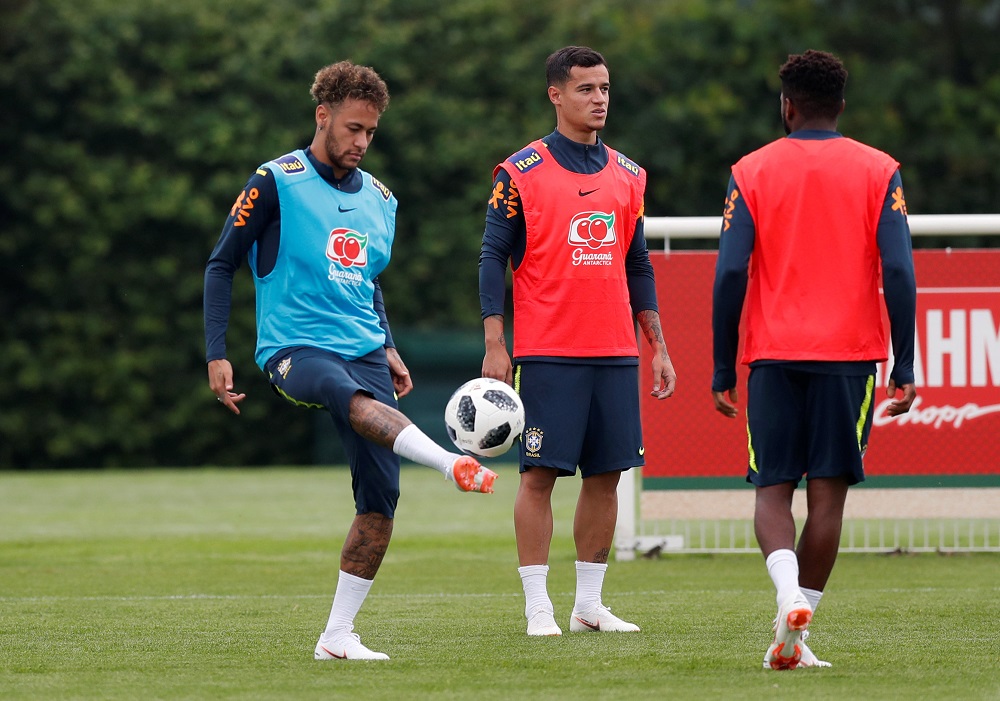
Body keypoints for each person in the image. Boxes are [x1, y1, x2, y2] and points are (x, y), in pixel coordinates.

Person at [203, 60, 498, 662]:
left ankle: (337, 636)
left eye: (371, 132)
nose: (362, 142)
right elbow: (220, 262)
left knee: (379, 502)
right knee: (339, 390)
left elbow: (368, 280)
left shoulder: (383, 200)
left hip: (364, 348)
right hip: (293, 349)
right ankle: (448, 464)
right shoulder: (275, 180)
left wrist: (386, 342)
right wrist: (217, 353)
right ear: (323, 116)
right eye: (354, 128)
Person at [711, 49, 917, 670]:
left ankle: (784, 600)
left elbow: (728, 274)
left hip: (772, 357)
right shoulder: (880, 170)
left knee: (772, 493)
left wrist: (723, 366)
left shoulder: (750, 170)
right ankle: (796, 630)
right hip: (849, 358)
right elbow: (901, 270)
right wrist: (903, 364)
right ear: (842, 107)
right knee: (828, 500)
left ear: (787, 106)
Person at [479, 46, 676, 637]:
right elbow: (492, 256)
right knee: (538, 477)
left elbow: (637, 262)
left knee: (607, 475)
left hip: (614, 350)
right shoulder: (519, 172)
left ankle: (588, 605)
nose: (599, 99)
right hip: (547, 352)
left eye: (606, 88)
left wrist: (656, 344)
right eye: (587, 89)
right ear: (555, 96)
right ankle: (538, 606)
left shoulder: (629, 174)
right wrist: (496, 340)